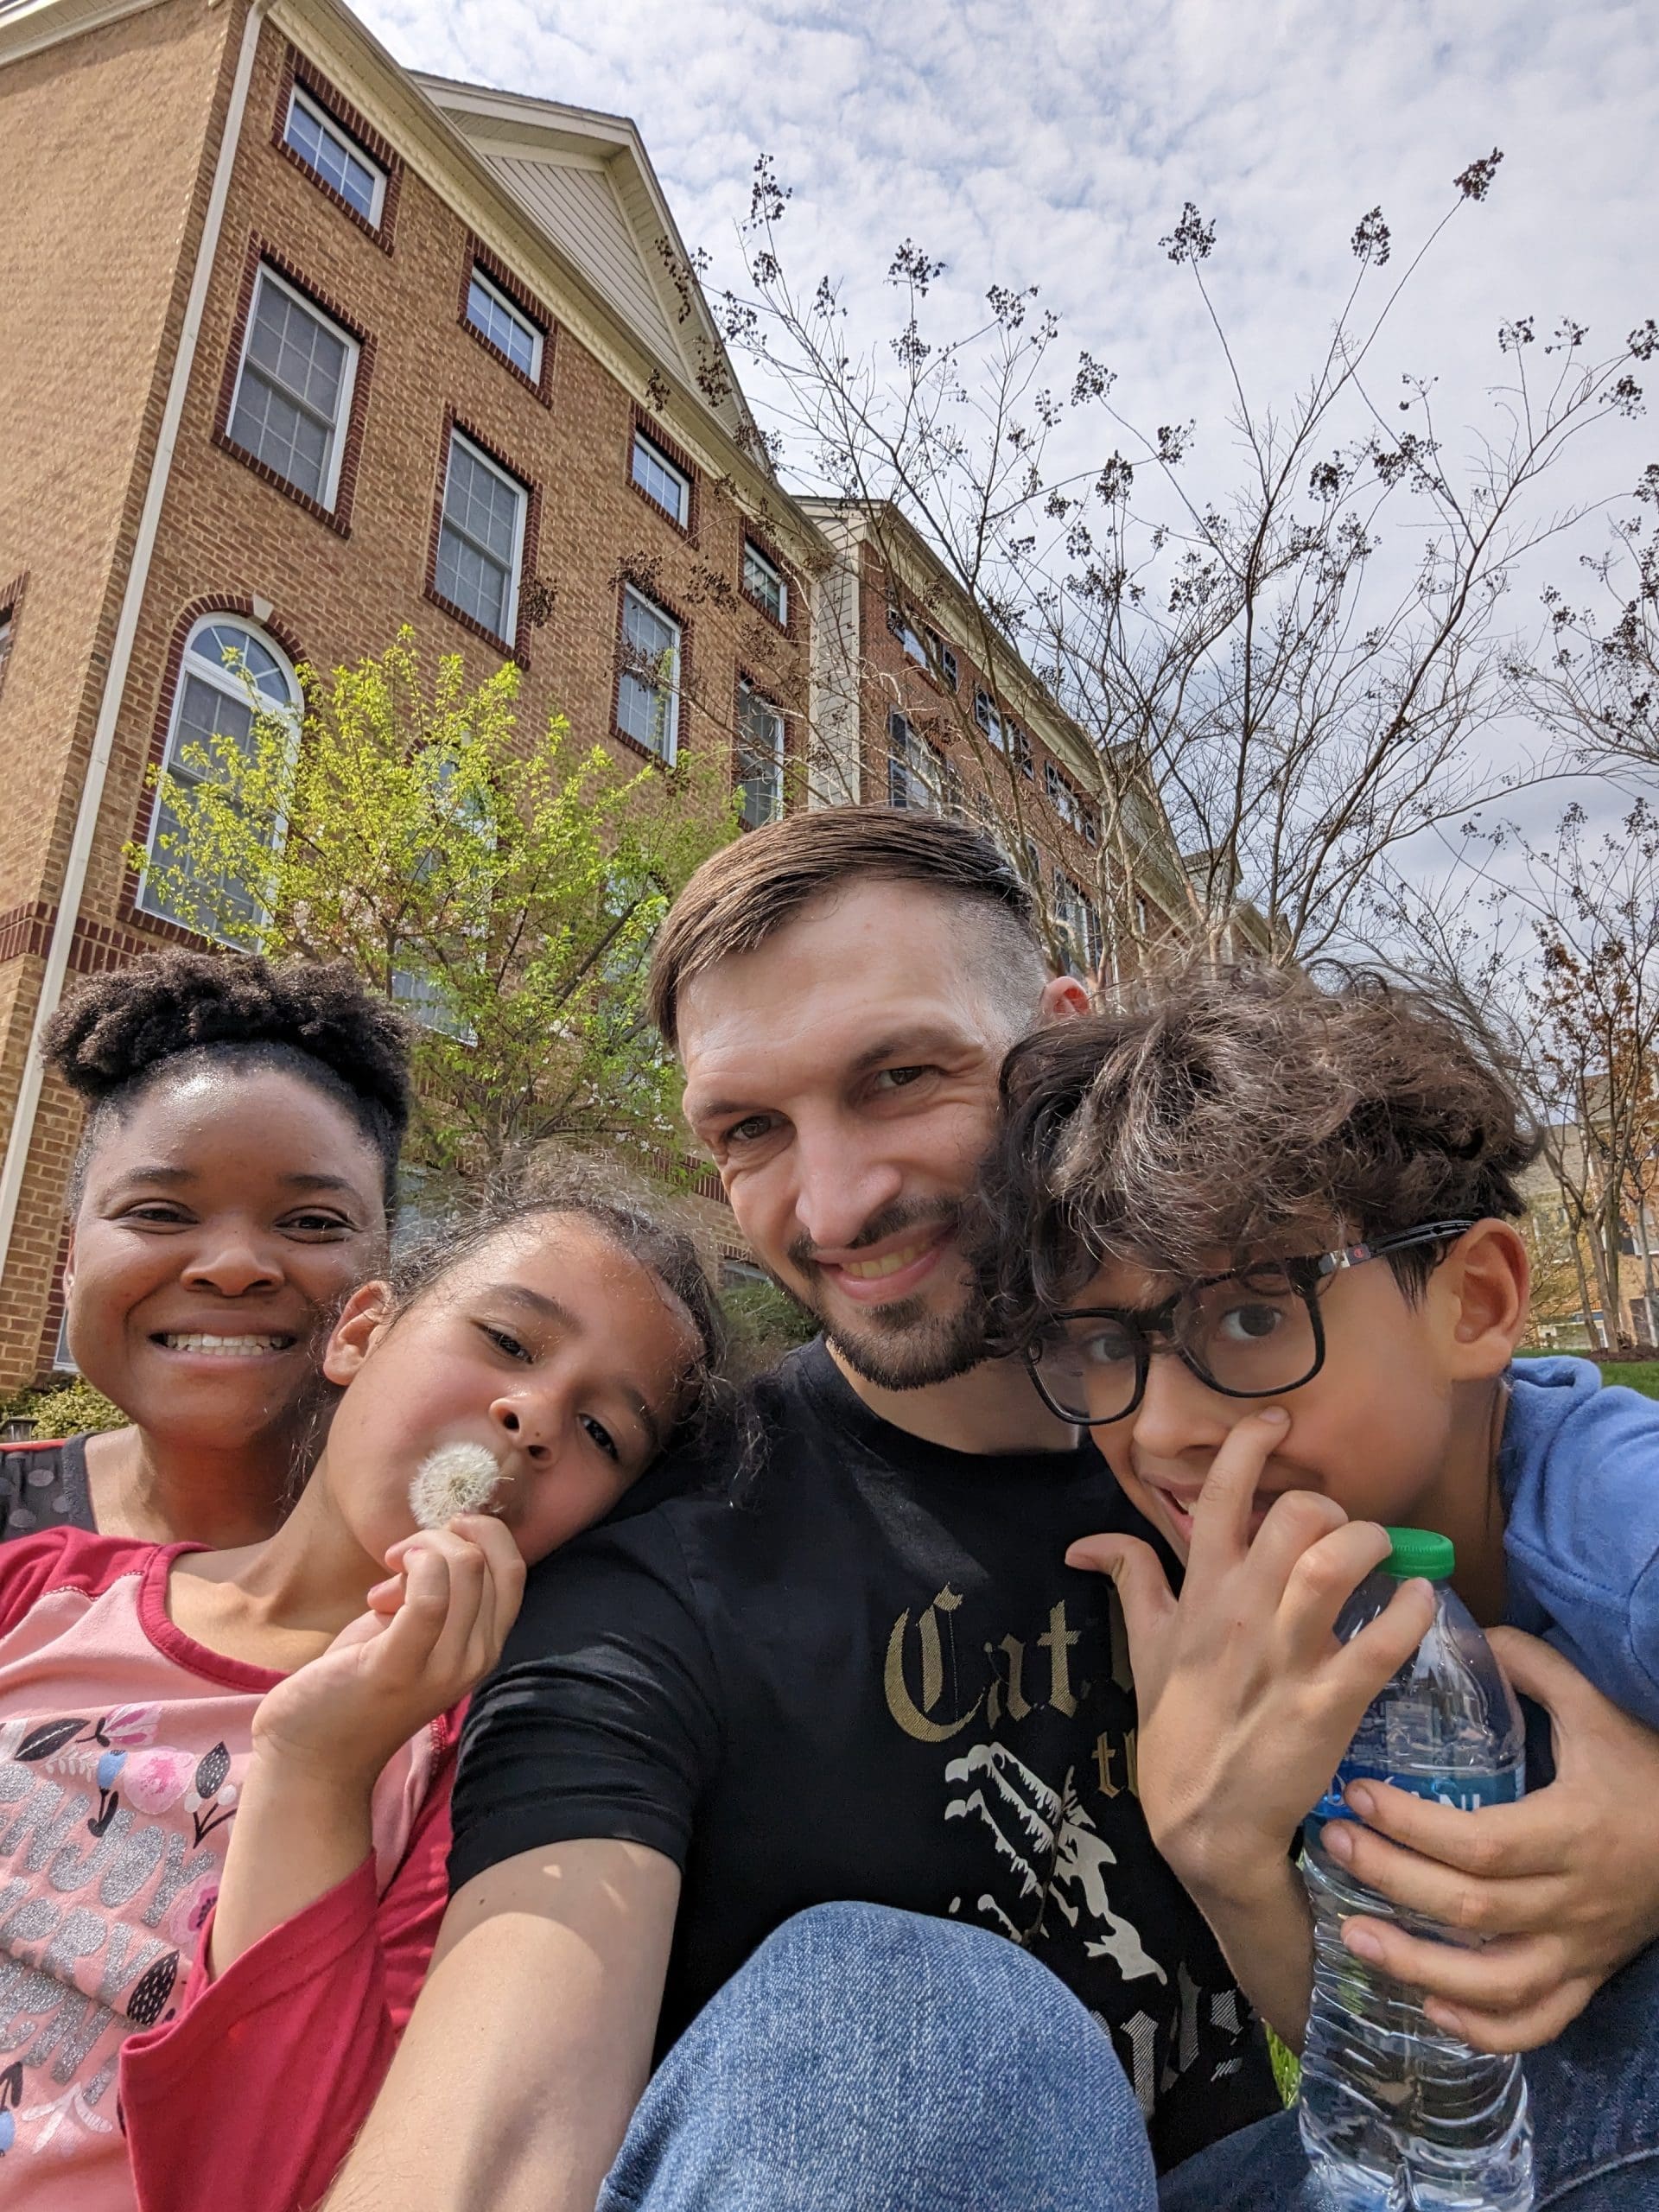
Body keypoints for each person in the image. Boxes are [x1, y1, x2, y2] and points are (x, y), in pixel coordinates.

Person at [325, 812, 1659, 2212]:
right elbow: (497, 2124)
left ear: (1060, 1052)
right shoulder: (663, 1573)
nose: (834, 1203)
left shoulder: (1271, 1459)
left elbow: (1417, 2094)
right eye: (750, 1130)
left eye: (900, 1078)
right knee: (900, 2017)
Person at [971, 957, 1659, 2204]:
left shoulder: (1620, 1524)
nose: (1161, 1429)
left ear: (1477, 1301)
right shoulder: (1273, 1595)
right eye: (1103, 1344)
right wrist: (1221, 1853)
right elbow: (1387, 2083)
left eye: (1250, 1317)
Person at [0, 1180, 727, 2212]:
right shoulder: (40, 1591)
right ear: (361, 1333)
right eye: (508, 1341)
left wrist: (319, 1771)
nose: (534, 1418)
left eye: (603, 1433)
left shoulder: (477, 1791)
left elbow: (274, 2178)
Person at [1, 950, 411, 1548]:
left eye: (313, 1222)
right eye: (159, 1214)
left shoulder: (505, 1558)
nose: (233, 1267)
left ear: (386, 1265)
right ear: (71, 1260)